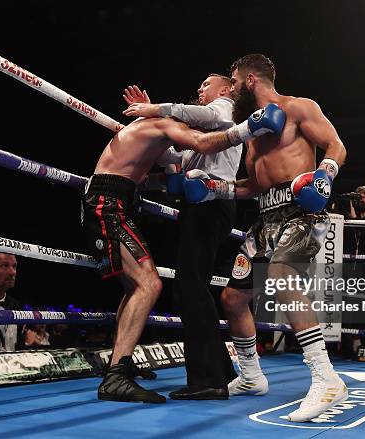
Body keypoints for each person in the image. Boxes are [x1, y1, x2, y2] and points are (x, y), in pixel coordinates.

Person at [82, 91, 285, 403]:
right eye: (193, 120)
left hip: (118, 199)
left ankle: (119, 365)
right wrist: (250, 127)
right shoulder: (164, 123)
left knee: (138, 285)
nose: (196, 124)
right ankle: (116, 376)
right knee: (149, 284)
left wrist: (169, 176)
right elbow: (201, 142)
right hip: (108, 202)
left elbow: (167, 166)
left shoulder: (154, 129)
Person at [178, 53, 348, 422]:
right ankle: (252, 376)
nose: (233, 89)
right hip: (265, 217)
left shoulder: (299, 108)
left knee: (281, 276)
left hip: (303, 208)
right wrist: (215, 187)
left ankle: (326, 377)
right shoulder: (252, 131)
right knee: (233, 297)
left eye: (235, 82)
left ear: (250, 80)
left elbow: (336, 146)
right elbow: (253, 186)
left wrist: (324, 175)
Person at [122, 75, 243, 400]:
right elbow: (175, 159)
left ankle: (208, 379)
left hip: (210, 201)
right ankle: (221, 372)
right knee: (195, 287)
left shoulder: (224, 112)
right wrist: (149, 125)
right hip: (203, 204)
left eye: (206, 84)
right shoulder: (204, 132)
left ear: (226, 89)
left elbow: (200, 115)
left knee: (189, 287)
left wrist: (156, 109)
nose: (199, 89)